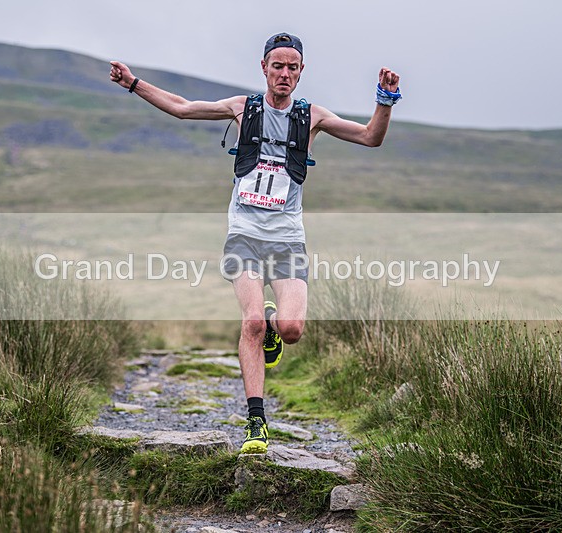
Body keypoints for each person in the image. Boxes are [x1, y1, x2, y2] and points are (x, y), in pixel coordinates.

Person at [109, 33, 401, 454]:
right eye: (277, 66)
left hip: (287, 240)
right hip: (244, 234)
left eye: (292, 68)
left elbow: (371, 137)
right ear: (263, 67)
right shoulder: (242, 108)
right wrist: (135, 84)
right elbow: (181, 108)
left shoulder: (312, 116)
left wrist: (385, 100)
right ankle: (256, 422)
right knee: (250, 322)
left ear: (301, 73)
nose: (284, 73)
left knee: (292, 329)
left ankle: (273, 327)